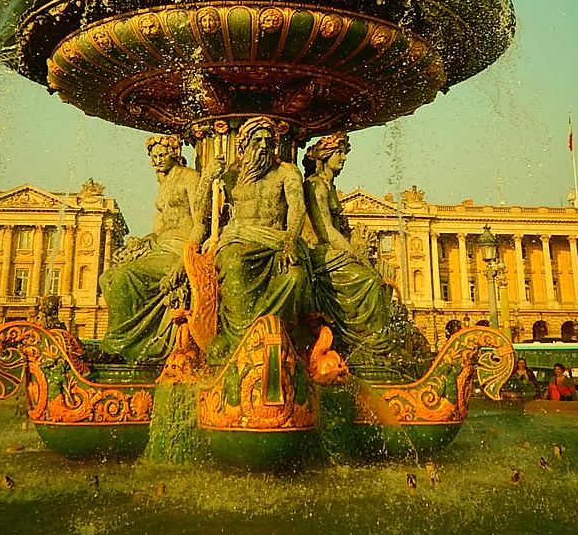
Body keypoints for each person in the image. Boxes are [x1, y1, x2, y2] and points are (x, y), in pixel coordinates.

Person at [200, 117, 310, 361]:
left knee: (295, 276)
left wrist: (291, 241)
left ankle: (283, 341)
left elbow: (297, 207)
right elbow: (202, 215)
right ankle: (239, 342)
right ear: (244, 144)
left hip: (276, 241)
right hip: (239, 240)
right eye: (257, 140)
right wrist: (207, 178)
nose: (263, 146)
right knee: (233, 264)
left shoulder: (286, 172)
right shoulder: (230, 176)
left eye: (268, 141)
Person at [98, 135, 203, 363]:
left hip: (178, 247)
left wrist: (185, 259)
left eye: (162, 155)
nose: (158, 160)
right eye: (154, 156)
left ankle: (119, 345)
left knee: (126, 276)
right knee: (107, 278)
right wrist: (139, 242)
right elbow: (159, 229)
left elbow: (201, 222)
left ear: (175, 154)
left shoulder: (189, 177)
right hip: (161, 245)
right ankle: (135, 340)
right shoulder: (164, 185)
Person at [302, 133, 401, 365]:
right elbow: (325, 229)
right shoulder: (315, 185)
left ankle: (371, 346)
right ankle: (366, 347)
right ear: (325, 156)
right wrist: (355, 254)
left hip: (333, 250)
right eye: (339, 152)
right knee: (368, 281)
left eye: (345, 152)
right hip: (321, 252)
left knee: (383, 274)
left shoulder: (329, 185)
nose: (344, 158)